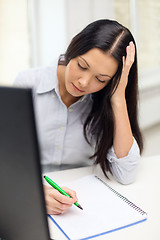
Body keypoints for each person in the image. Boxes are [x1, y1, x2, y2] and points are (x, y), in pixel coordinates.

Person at [14, 19, 143, 215]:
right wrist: (33, 192)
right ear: (73, 48)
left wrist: (118, 99)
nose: (83, 82)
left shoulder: (105, 102)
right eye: (82, 66)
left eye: (100, 79)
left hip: (80, 205)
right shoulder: (28, 83)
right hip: (26, 201)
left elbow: (126, 174)